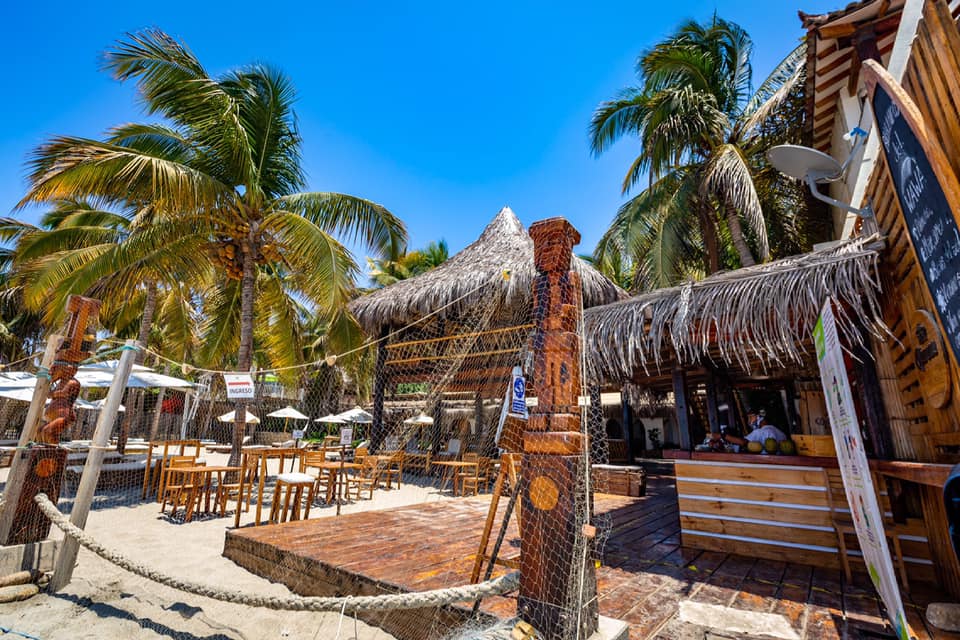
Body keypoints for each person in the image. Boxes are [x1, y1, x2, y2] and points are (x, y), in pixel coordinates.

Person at [722, 410, 788, 447]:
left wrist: (722, 436)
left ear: (760, 417)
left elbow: (743, 442)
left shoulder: (759, 432)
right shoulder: (780, 432)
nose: (749, 421)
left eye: (751, 417)